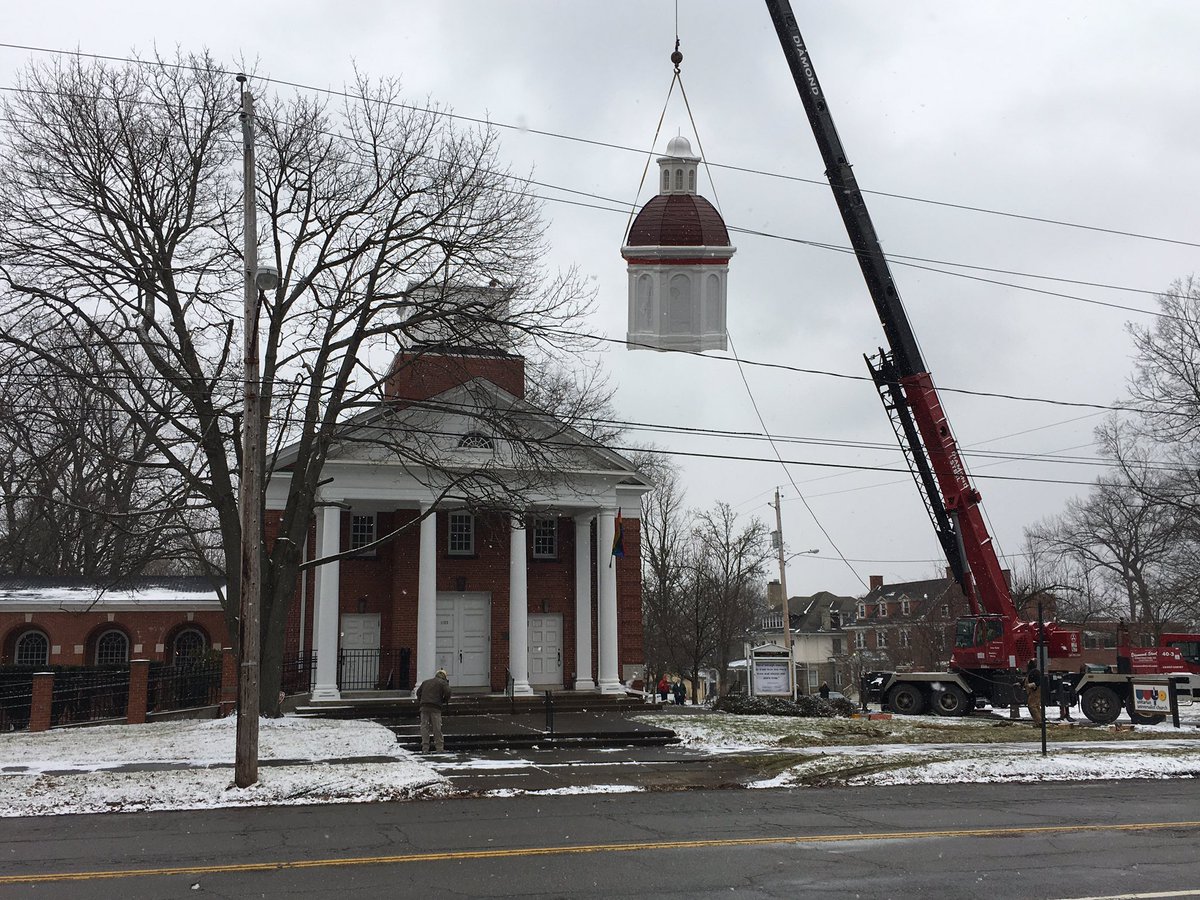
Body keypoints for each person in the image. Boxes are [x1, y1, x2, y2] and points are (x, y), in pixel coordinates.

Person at [416, 668, 452, 753]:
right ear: (444, 676)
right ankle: (439, 748)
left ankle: (425, 748)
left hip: (424, 707)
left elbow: (418, 693)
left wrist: (422, 701)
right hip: (435, 708)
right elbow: (448, 692)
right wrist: (443, 700)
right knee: (437, 728)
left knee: (425, 728)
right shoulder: (443, 683)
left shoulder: (426, 682)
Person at [1024, 658, 1043, 727]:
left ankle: (1039, 722)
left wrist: (1032, 685)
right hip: (1033, 691)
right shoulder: (1032, 672)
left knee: (1032, 706)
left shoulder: (1035, 672)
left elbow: (1039, 681)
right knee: (1036, 706)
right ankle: (1039, 721)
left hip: (1035, 691)